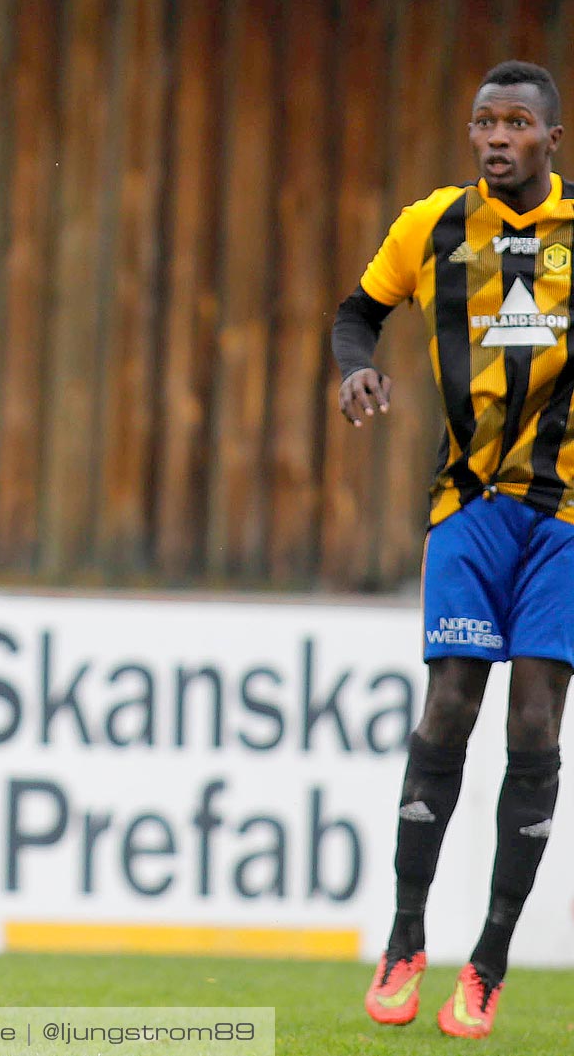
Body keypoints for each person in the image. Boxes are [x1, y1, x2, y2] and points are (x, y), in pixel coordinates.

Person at [338, 60, 571, 1039]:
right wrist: (355, 371)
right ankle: (404, 939)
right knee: (450, 706)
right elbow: (358, 313)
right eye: (484, 121)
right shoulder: (431, 223)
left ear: (551, 140)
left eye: (517, 122)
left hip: (562, 517)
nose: (496, 136)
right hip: (466, 508)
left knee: (532, 726)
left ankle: (489, 962)